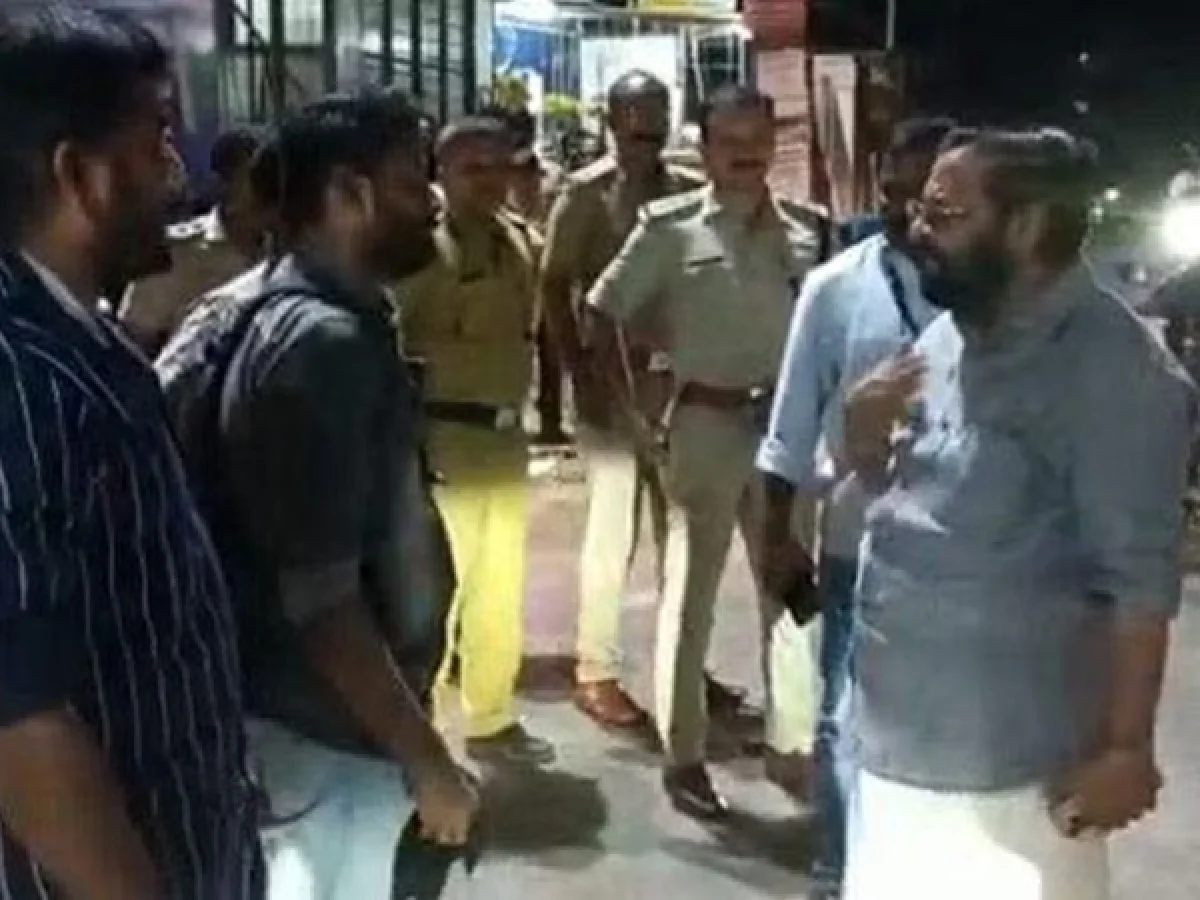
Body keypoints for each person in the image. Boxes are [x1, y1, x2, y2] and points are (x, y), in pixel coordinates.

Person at [840, 127, 1194, 900]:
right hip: (898, 747)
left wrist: (1126, 748)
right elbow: (904, 502)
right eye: (920, 209)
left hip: (1012, 779)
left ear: (1027, 226)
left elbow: (1139, 580)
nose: (916, 230)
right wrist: (861, 437)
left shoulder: (1115, 371)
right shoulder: (953, 331)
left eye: (944, 214)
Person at [158, 88, 477, 899]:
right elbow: (323, 601)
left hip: (293, 723)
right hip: (320, 737)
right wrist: (426, 759)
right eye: (413, 180)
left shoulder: (260, 308)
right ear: (348, 194)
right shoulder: (321, 345)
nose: (432, 200)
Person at [0, 6, 263, 898]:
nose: (178, 172)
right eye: (157, 139)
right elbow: (20, 717)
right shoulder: (16, 374)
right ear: (80, 174)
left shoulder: (84, 340)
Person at [587, 84, 830, 818]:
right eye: (731, 141)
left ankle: (793, 745)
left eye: (758, 139)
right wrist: (637, 415)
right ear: (705, 147)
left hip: (783, 436)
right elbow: (602, 312)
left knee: (789, 591)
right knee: (690, 598)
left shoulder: (808, 233)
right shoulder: (669, 230)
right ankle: (685, 757)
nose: (746, 154)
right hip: (704, 426)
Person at [757, 116, 956, 899]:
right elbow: (788, 431)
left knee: (947, 723)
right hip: (857, 546)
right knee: (844, 717)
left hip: (969, 552)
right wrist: (777, 540)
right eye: (898, 195)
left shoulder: (995, 293)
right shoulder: (836, 288)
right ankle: (838, 871)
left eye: (931, 201)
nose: (911, 216)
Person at [542, 70, 756, 734]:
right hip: (609, 390)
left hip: (675, 388)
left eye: (656, 122)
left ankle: (683, 667)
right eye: (634, 122)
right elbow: (554, 287)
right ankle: (596, 672)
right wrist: (578, 374)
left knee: (683, 540)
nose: (646, 135)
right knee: (612, 536)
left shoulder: (688, 189)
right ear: (612, 121)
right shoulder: (583, 196)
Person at [396, 117, 553, 766]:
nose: (490, 182)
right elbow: (391, 345)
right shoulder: (417, 253)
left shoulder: (522, 243)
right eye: (473, 169)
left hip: (505, 446)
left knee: (499, 595)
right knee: (436, 598)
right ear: (442, 173)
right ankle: (423, 736)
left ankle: (491, 717)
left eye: (500, 168)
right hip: (444, 446)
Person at [119, 124, 267, 354]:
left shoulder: (289, 252)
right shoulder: (176, 255)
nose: (268, 193)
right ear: (224, 184)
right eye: (256, 181)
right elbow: (134, 345)